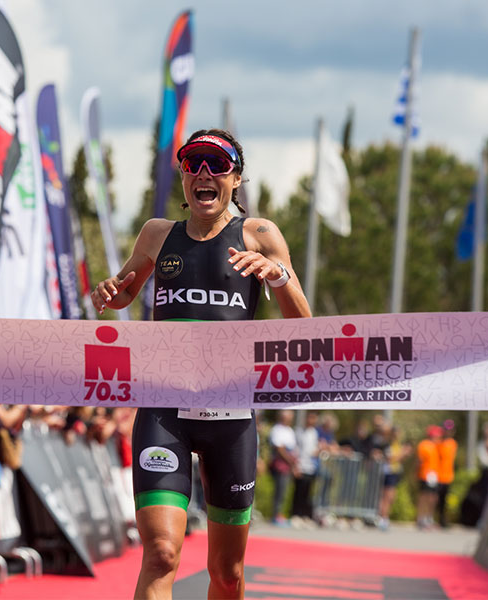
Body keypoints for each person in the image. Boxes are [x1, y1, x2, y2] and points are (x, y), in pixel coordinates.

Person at [90, 129, 310, 600]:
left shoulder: (259, 234)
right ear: (184, 176)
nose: (204, 173)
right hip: (164, 409)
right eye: (194, 163)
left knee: (227, 573)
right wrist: (108, 290)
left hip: (230, 417)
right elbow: (124, 292)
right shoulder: (158, 233)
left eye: (217, 164)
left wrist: (278, 275)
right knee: (161, 554)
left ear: (237, 178)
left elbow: (304, 324)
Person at [269, 409, 299, 527]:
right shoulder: (277, 429)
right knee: (279, 490)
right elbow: (279, 448)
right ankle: (275, 515)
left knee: (284, 491)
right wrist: (290, 461)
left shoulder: (289, 430)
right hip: (280, 463)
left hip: (288, 464)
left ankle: (280, 513)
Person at [291, 411, 320, 524]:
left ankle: (304, 515)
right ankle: (296, 514)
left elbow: (314, 449)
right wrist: (295, 466)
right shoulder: (299, 431)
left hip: (311, 467)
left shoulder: (314, 433)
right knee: (298, 492)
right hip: (300, 465)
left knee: (307, 493)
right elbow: (295, 449)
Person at [416, 425, 443, 529]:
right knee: (424, 497)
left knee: (433, 497)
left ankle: (429, 518)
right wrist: (416, 473)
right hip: (425, 475)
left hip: (435, 475)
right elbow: (420, 460)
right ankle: (421, 518)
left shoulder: (438, 446)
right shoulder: (424, 445)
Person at [436, 421, 458, 528]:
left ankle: (443, 519)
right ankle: (437, 518)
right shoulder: (439, 442)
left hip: (448, 475)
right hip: (438, 475)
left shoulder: (453, 443)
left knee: (444, 499)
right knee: (436, 498)